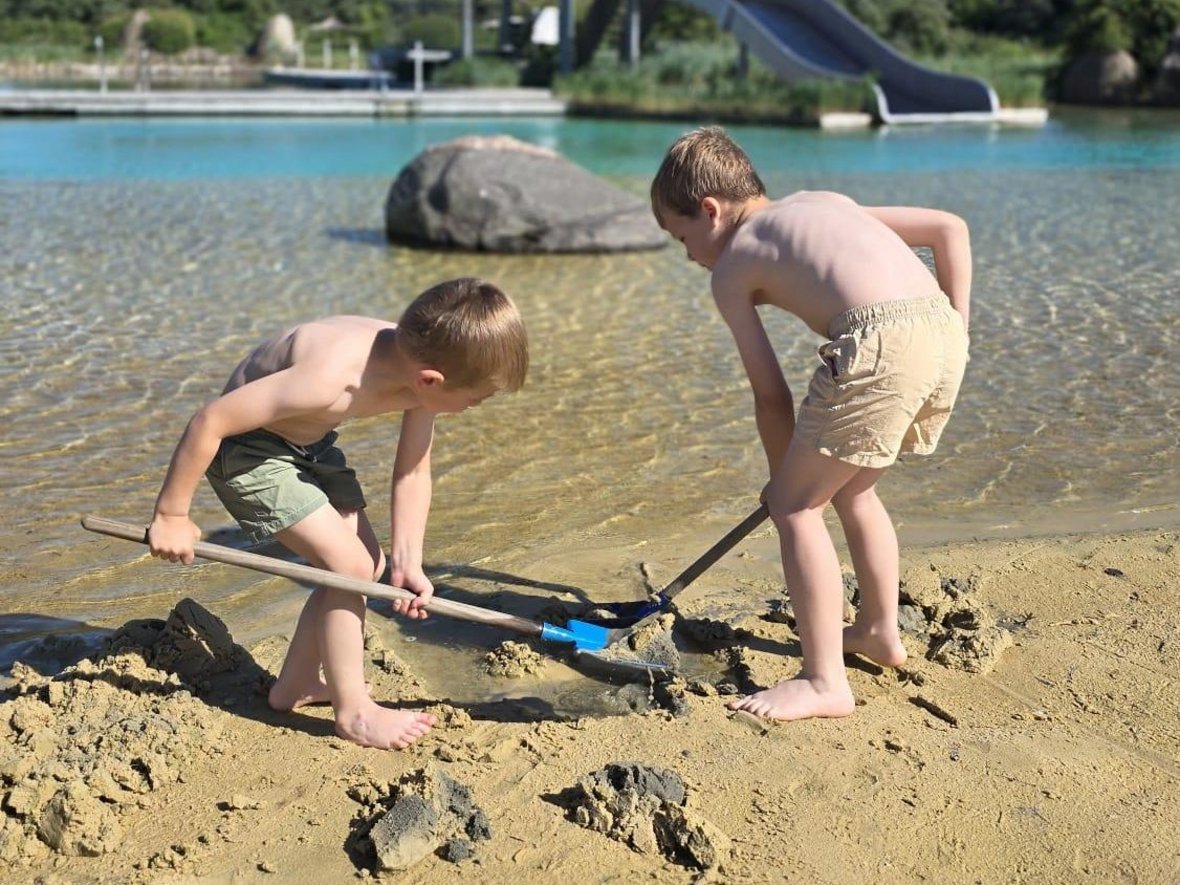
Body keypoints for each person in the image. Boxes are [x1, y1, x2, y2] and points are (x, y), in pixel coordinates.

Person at [650, 127, 970, 722]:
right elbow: (949, 229)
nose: (689, 255)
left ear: (710, 210)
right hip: (942, 332)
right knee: (854, 490)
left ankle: (824, 682)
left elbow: (771, 397)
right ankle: (878, 630)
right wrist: (958, 330)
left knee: (798, 508)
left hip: (883, 341)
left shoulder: (731, 268)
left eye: (682, 237)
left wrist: (783, 489)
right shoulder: (825, 202)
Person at [146, 278, 529, 748]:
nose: (474, 407)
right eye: (477, 399)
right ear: (431, 380)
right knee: (348, 568)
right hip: (247, 451)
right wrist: (172, 514)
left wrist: (408, 562)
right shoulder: (330, 378)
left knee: (369, 565)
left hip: (309, 442)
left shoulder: (423, 360)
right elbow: (211, 420)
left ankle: (297, 683)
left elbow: (412, 470)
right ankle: (355, 713)